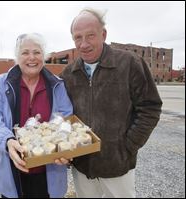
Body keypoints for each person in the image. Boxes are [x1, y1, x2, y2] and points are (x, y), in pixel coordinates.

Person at [60, 8, 163, 198]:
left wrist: (128, 146)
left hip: (117, 165)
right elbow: (63, 115)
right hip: (83, 167)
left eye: (90, 35)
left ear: (103, 34)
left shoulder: (130, 63)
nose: (83, 44)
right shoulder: (68, 74)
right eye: (77, 37)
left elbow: (150, 107)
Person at [0, 33, 73, 198]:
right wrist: (7, 140)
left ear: (44, 56)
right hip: (12, 169)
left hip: (49, 171)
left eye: (37, 52)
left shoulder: (57, 85)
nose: (32, 57)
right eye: (25, 52)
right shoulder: (1, 83)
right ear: (17, 57)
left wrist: (62, 148)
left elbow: (66, 117)